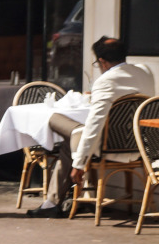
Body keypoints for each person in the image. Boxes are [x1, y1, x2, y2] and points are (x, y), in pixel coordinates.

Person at [28, 36, 156, 217]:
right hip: (138, 145)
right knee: (70, 141)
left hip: (109, 147)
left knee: (54, 118)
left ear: (102, 62)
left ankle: (53, 202)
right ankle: (53, 202)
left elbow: (95, 125)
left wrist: (79, 165)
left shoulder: (106, 81)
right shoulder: (145, 72)